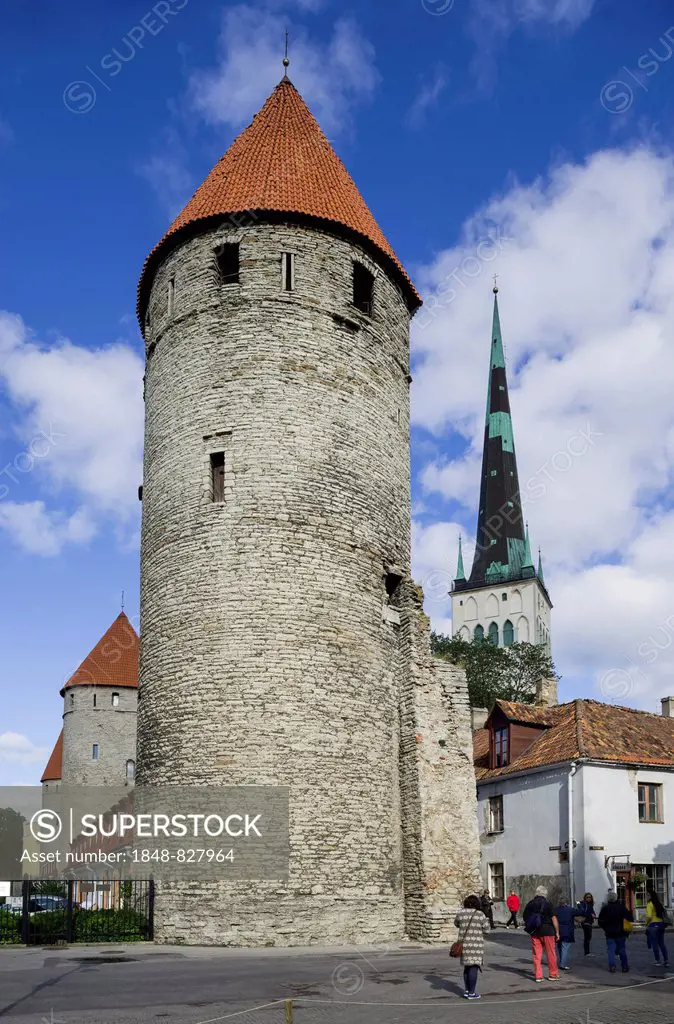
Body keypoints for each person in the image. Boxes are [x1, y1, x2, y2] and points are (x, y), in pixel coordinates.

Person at [454, 894, 491, 1000]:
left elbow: (456, 924)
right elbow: (487, 930)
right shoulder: (480, 914)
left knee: (467, 967)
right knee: (474, 967)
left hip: (463, 944)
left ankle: (466, 990)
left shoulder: (461, 913)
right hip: (476, 945)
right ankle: (471, 992)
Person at [523, 885, 560, 982]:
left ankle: (538, 976)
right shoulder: (548, 903)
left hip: (535, 931)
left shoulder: (530, 903)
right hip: (548, 931)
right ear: (545, 894)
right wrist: (557, 932)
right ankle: (553, 974)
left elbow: (525, 917)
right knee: (551, 954)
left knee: (537, 954)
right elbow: (554, 918)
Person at [597, 891, 633, 973]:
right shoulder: (621, 907)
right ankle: (624, 966)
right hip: (621, 932)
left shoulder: (605, 908)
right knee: (622, 950)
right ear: (616, 898)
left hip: (609, 933)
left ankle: (612, 966)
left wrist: (605, 928)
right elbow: (630, 918)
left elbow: (600, 921)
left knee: (611, 950)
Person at [554, 896, 583, 970]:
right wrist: (579, 904)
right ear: (567, 903)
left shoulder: (555, 909)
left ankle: (561, 962)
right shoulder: (570, 910)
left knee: (560, 947)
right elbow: (582, 911)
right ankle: (562, 964)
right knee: (565, 947)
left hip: (558, 930)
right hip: (567, 931)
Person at [645, 889, 669, 968]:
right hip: (661, 924)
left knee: (654, 944)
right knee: (661, 943)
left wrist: (646, 923)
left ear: (651, 896)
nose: (646, 896)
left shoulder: (649, 904)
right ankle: (666, 961)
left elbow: (649, 916)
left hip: (653, 925)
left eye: (648, 895)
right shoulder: (659, 903)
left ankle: (658, 960)